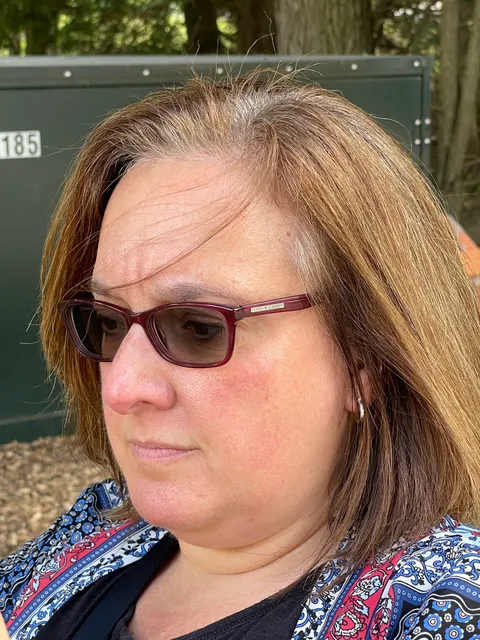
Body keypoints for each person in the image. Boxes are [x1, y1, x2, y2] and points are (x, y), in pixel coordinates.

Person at [1, 69, 480, 640]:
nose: (122, 388)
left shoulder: (444, 612)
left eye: (199, 328)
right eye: (108, 322)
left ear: (364, 358)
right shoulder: (96, 528)